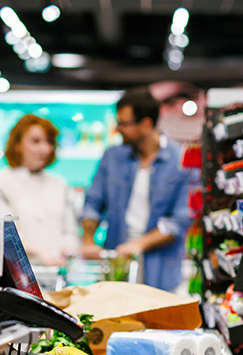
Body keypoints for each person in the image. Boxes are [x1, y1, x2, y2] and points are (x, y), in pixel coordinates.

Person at [80, 87, 192, 292]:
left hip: (160, 271)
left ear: (146, 124)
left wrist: (137, 245)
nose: (117, 128)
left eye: (123, 123)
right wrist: (88, 240)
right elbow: (93, 201)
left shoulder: (180, 160)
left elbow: (180, 220)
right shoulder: (112, 156)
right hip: (116, 266)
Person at [0, 113, 79, 265]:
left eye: (49, 142)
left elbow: (69, 230)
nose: (44, 148)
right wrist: (41, 253)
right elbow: (2, 234)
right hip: (19, 273)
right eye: (35, 141)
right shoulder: (0, 182)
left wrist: (68, 248)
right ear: (17, 145)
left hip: (57, 271)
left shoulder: (59, 183)